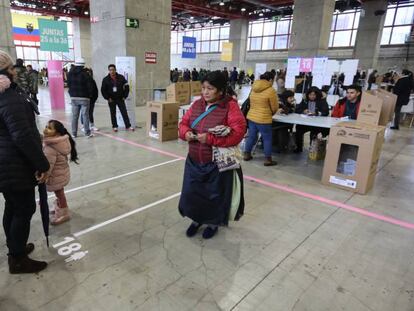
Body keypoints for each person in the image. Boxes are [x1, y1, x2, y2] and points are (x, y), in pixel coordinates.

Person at [178, 70, 246, 239]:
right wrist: (185, 133)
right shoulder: (197, 105)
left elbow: (238, 133)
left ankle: (213, 223)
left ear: (221, 90)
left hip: (215, 163)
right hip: (194, 160)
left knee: (214, 195)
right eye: (203, 88)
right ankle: (196, 220)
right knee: (193, 193)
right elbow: (184, 123)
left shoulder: (230, 106)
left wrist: (209, 139)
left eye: (210, 88)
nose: (205, 92)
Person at [0, 50, 50, 274]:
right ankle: (18, 259)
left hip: (5, 163)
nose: (15, 72)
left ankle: (15, 249)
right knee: (24, 208)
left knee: (13, 206)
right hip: (14, 163)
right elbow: (21, 135)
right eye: (11, 69)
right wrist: (42, 164)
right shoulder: (8, 98)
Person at [43, 120, 78, 225]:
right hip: (61, 173)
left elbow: (48, 165)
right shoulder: (60, 141)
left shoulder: (51, 147)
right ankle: (60, 206)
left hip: (55, 175)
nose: (45, 129)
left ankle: (64, 212)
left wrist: (45, 176)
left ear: (57, 133)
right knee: (59, 193)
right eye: (46, 126)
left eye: (49, 128)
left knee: (60, 194)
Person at [243, 72, 279, 166]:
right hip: (264, 118)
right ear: (271, 80)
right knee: (267, 138)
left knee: (251, 136)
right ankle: (268, 159)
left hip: (251, 116)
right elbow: (275, 107)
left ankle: (247, 154)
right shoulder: (271, 90)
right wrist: (271, 113)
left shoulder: (254, 87)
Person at [294, 87, 329, 153]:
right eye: (310, 95)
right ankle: (299, 148)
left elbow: (326, 112)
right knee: (298, 129)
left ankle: (312, 149)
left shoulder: (322, 101)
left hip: (316, 124)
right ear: (307, 95)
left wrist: (317, 113)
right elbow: (297, 109)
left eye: (314, 95)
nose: (312, 96)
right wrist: (303, 111)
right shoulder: (305, 100)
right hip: (305, 122)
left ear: (317, 95)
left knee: (314, 133)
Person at [101, 64, 133, 132]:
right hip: (111, 99)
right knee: (113, 113)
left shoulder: (121, 77)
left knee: (124, 112)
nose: (112, 71)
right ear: (108, 71)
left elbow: (127, 87)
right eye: (110, 70)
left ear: (115, 70)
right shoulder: (105, 79)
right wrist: (107, 98)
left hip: (120, 98)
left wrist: (125, 96)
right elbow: (103, 90)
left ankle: (128, 126)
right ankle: (115, 126)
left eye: (113, 70)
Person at [67, 58, 94, 138]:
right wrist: (90, 95)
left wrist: (71, 94)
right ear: (83, 65)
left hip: (74, 97)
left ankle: (74, 133)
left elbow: (68, 85)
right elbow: (90, 86)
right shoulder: (86, 74)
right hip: (84, 97)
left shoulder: (70, 73)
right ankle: (87, 133)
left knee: (74, 116)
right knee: (85, 115)